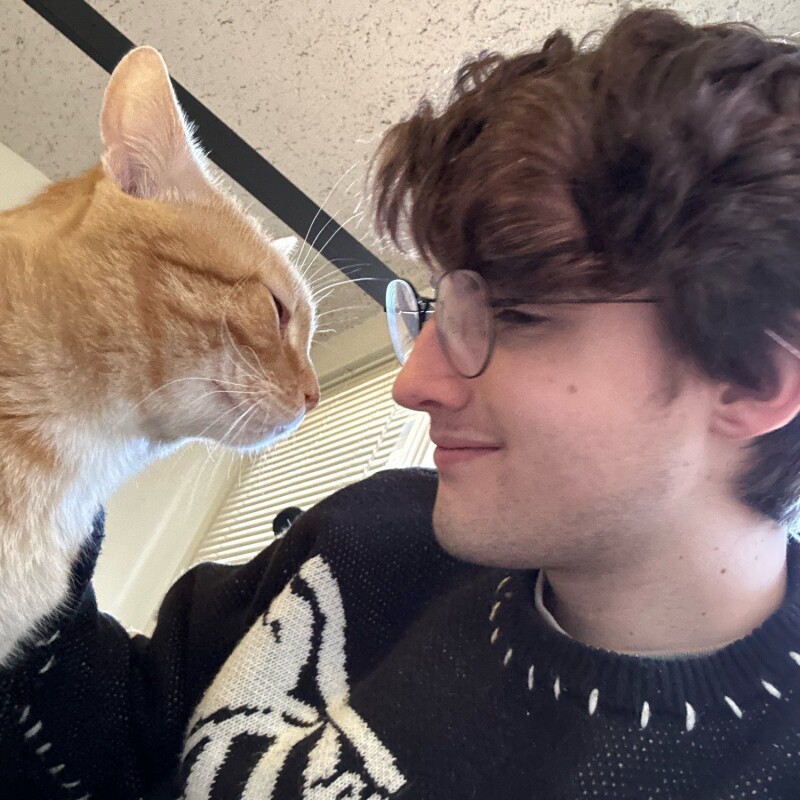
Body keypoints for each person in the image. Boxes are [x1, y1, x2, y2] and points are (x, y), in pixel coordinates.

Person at [3, 7, 800, 798]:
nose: (411, 383)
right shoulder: (371, 532)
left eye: (513, 316)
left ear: (753, 379)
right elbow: (117, 737)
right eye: (436, 311)